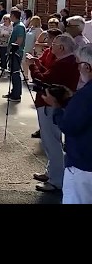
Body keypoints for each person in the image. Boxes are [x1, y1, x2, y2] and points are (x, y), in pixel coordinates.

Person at [28, 34, 80, 193]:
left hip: (49, 104)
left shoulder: (63, 63)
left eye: (55, 44)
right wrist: (38, 63)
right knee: (53, 139)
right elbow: (51, 75)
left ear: (62, 48)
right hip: (56, 103)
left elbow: (43, 79)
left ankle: (56, 180)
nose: (51, 47)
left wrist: (32, 65)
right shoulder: (68, 61)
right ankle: (51, 172)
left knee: (51, 141)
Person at [44, 43, 92, 204]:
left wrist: (57, 107)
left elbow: (69, 126)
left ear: (87, 66)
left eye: (79, 64)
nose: (77, 69)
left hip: (84, 164)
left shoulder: (86, 95)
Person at [4, 9, 26, 102]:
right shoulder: (16, 25)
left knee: (15, 73)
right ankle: (13, 91)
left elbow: (19, 40)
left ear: (13, 16)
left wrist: (12, 50)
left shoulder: (20, 27)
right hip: (13, 52)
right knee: (12, 73)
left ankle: (17, 94)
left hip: (16, 53)